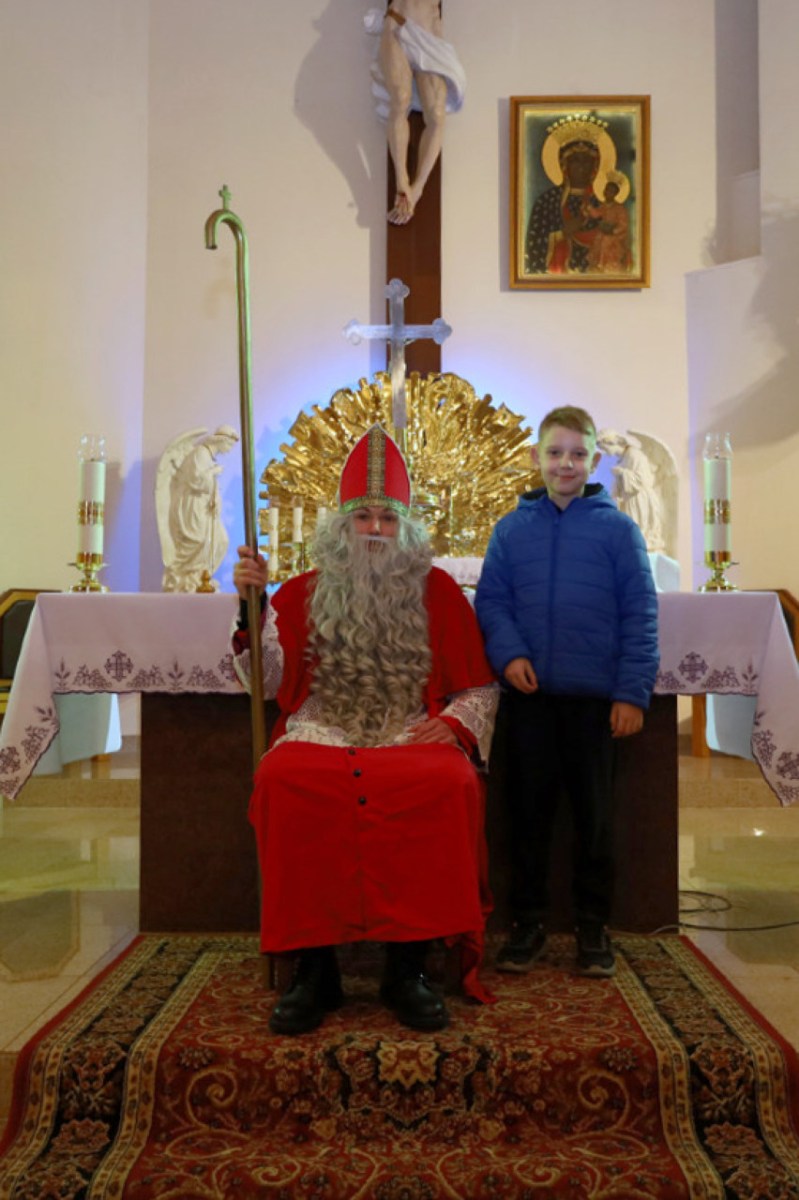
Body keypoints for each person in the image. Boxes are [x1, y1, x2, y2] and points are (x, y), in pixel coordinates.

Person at [233, 424, 498, 1035]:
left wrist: (454, 725)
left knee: (450, 782)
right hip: (321, 729)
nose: (375, 529)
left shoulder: (438, 592)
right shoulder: (301, 592)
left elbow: (479, 686)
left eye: (387, 518)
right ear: (340, 527)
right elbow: (265, 683)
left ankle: (408, 969)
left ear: (406, 528)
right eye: (363, 517)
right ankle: (313, 970)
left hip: (407, 731)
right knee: (283, 778)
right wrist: (252, 606)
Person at [474, 406, 659, 977]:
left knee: (594, 820)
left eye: (577, 454)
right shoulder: (511, 530)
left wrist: (631, 694)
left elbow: (640, 614)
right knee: (527, 816)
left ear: (594, 460)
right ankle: (527, 924)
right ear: (536, 457)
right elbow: (493, 602)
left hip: (595, 703)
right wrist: (510, 655)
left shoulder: (618, 530)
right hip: (530, 700)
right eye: (555, 453)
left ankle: (593, 927)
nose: (566, 464)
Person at [365, 1, 465, 225]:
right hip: (397, 26)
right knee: (400, 99)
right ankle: (402, 180)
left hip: (429, 35)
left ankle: (417, 188)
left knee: (437, 114)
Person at [160, 425, 239, 592]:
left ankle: (202, 576)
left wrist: (216, 497)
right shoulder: (200, 453)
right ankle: (186, 577)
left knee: (221, 541)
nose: (229, 449)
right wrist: (213, 472)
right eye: (229, 445)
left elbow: (210, 484)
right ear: (221, 440)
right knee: (198, 540)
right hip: (193, 505)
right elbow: (195, 481)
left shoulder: (209, 457)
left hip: (205, 506)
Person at [525, 139, 604, 275]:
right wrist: (561, 234)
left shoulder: (602, 203)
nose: (581, 167)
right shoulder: (547, 201)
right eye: (575, 161)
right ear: (564, 165)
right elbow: (534, 244)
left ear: (594, 166)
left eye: (586, 161)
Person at [586, 176, 632, 273]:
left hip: (614, 238)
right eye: (607, 190)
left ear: (615, 194)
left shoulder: (620, 208)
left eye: (611, 191)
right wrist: (588, 207)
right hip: (602, 236)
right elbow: (596, 214)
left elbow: (623, 225)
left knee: (607, 243)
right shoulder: (603, 206)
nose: (608, 193)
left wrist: (612, 230)